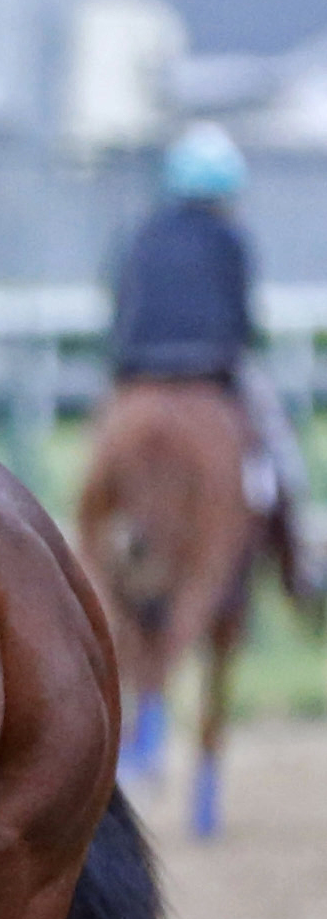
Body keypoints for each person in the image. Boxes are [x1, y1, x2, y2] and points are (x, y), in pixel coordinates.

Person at [111, 121, 318, 605]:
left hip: (137, 374)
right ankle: (297, 562)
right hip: (211, 372)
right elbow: (242, 321)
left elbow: (120, 308)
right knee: (276, 448)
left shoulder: (143, 233)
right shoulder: (230, 237)